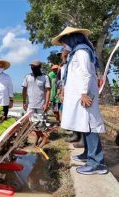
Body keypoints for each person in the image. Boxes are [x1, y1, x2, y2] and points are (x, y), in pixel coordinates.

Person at [52, 27, 107, 175]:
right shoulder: (76, 53)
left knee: (90, 127)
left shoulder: (82, 52)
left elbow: (86, 74)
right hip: (80, 96)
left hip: (85, 96)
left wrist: (83, 93)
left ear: (72, 38)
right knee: (84, 125)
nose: (63, 46)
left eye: (64, 42)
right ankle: (88, 154)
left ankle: (97, 164)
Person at [22, 60, 51, 147]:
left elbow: (48, 91)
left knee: (39, 124)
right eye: (32, 67)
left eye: (34, 67)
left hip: (40, 105)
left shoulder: (45, 77)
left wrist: (46, 103)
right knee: (32, 123)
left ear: (39, 68)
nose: (33, 68)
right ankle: (39, 139)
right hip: (30, 105)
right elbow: (24, 89)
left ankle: (44, 138)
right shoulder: (27, 77)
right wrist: (24, 101)